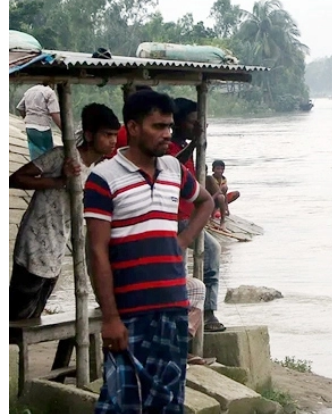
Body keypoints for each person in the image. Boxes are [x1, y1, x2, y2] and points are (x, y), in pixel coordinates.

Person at [85, 90, 214, 413]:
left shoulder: (172, 169)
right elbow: (97, 252)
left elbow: (206, 202)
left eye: (169, 126)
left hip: (171, 306)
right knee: (120, 401)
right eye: (158, 126)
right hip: (129, 312)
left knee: (169, 402)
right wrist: (111, 318)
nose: (167, 134)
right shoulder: (104, 178)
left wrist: (182, 240)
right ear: (134, 126)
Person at [9, 104, 120, 320]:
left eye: (115, 135)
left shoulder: (99, 170)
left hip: (58, 248)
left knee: (34, 315)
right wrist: (60, 180)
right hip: (35, 242)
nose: (113, 141)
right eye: (107, 135)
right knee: (16, 315)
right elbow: (15, 179)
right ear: (89, 135)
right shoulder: (63, 157)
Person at [170, 98, 226, 333]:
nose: (196, 127)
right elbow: (172, 164)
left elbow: (196, 179)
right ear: (179, 122)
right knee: (205, 254)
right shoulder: (173, 148)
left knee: (199, 259)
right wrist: (194, 143)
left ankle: (202, 312)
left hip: (188, 217)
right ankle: (200, 314)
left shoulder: (187, 147)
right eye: (192, 122)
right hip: (176, 218)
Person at [16, 83, 62, 160]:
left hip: (30, 127)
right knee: (47, 155)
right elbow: (54, 113)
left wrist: (27, 118)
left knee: (35, 154)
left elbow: (20, 108)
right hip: (43, 128)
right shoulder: (50, 92)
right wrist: (63, 129)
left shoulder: (29, 91)